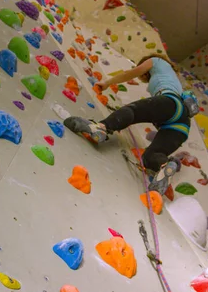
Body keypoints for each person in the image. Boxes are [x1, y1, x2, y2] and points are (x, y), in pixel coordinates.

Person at [64, 54, 191, 194]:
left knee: (132, 111)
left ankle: (101, 128)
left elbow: (130, 74)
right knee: (150, 157)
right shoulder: (175, 81)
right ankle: (165, 165)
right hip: (182, 124)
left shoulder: (157, 61)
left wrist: (107, 83)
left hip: (171, 103)